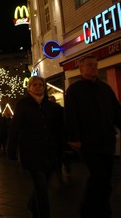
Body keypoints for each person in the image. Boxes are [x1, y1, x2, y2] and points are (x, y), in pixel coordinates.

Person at [64, 55, 121, 218]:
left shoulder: (105, 89)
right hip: (89, 141)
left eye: (95, 65)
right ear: (81, 68)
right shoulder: (75, 90)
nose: (93, 68)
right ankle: (89, 209)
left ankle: (101, 208)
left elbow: (116, 111)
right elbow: (71, 115)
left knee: (106, 178)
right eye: (89, 65)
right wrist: (73, 137)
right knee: (99, 176)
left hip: (107, 140)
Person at [7, 76, 64, 218]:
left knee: (43, 185)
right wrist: (11, 149)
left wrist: (62, 147)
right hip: (31, 151)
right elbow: (16, 127)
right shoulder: (23, 104)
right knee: (41, 187)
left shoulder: (51, 106)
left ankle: (33, 204)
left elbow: (59, 128)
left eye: (40, 84)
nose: (38, 87)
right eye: (35, 84)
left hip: (49, 151)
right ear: (29, 87)